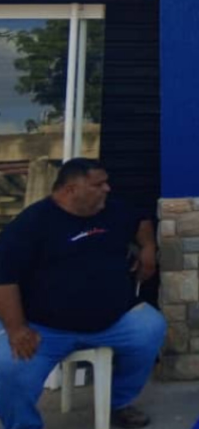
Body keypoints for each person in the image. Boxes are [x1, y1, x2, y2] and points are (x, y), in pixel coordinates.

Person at [0, 158, 165, 429]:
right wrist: (17, 329)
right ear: (70, 190)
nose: (107, 189)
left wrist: (148, 249)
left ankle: (120, 402)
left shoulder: (111, 210)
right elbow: (5, 279)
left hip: (113, 322)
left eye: (106, 183)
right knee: (7, 367)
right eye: (98, 185)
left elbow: (140, 221)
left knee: (151, 327)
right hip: (45, 330)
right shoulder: (31, 224)